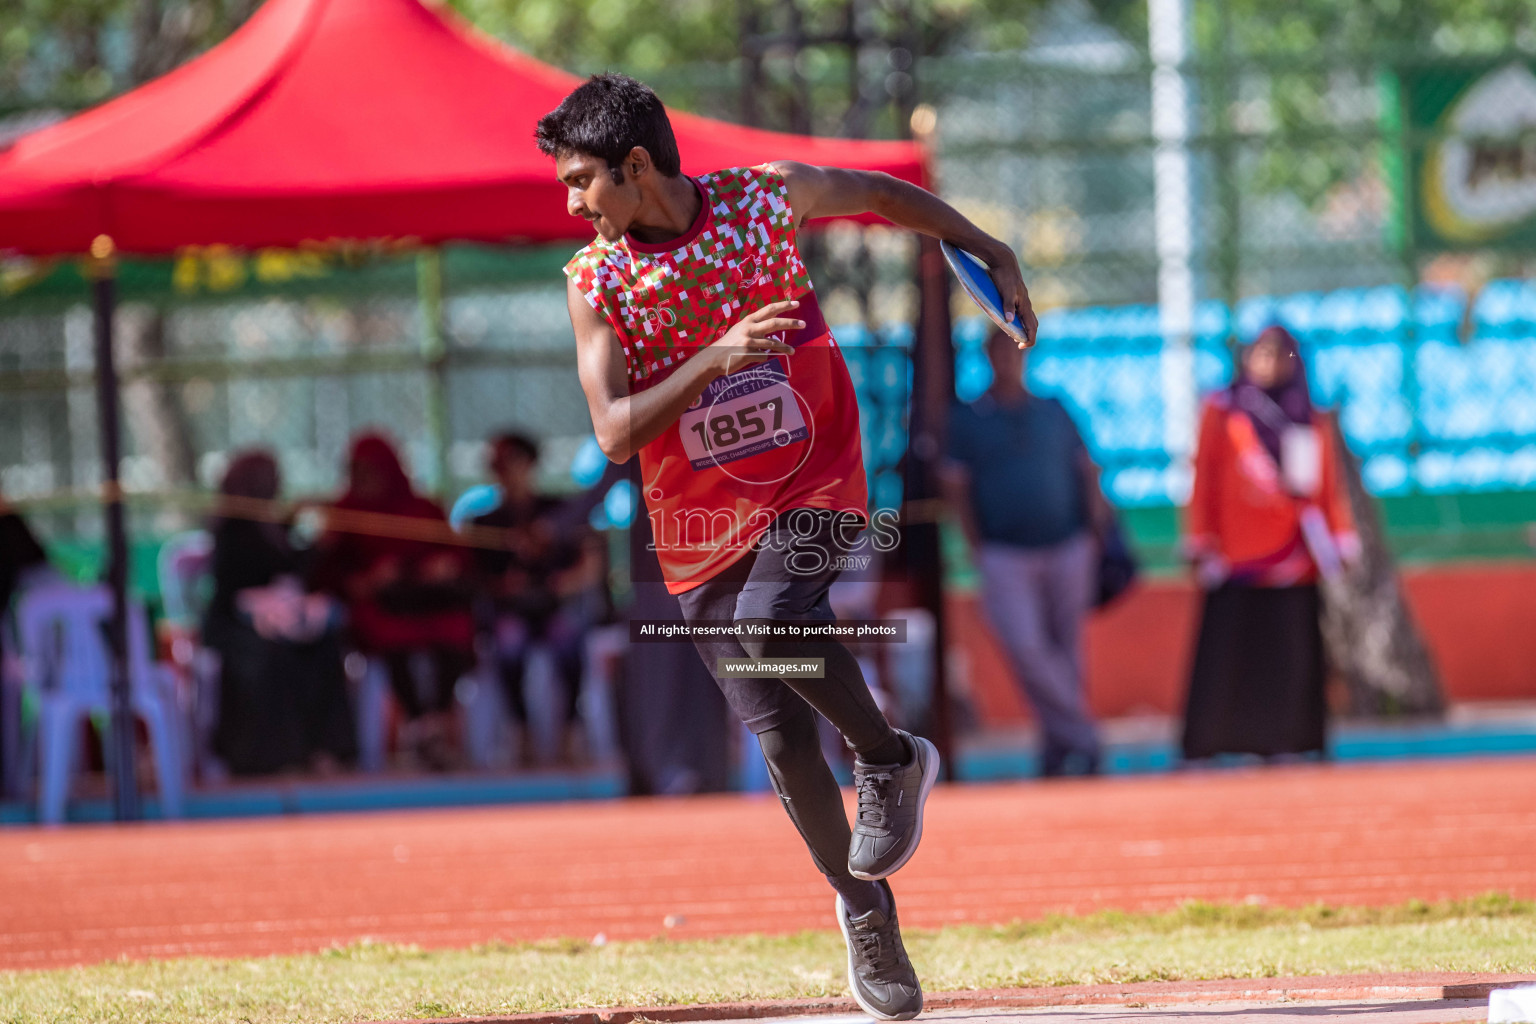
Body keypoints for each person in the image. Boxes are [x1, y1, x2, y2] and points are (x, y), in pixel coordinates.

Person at [537, 73, 1036, 1021]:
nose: (572, 203)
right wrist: (717, 357)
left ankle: (888, 760)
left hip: (818, 478)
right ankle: (864, 908)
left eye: (581, 180)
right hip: (697, 523)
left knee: (773, 625)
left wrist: (984, 242)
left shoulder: (765, 198)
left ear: (636, 165)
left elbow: (885, 199)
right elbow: (612, 432)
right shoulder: (596, 281)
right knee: (778, 738)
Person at [1181, 326, 1359, 762]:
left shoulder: (1307, 416)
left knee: (1290, 654)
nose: (1269, 364)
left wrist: (1340, 538)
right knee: (1231, 655)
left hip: (1293, 555)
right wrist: (1201, 539)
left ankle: (1290, 739)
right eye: (1260, 353)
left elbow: (1324, 487)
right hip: (1236, 556)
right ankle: (1219, 741)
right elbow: (1204, 476)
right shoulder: (1222, 410)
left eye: (1279, 356)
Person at [943, 328, 1111, 777]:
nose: (1007, 360)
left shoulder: (1054, 409)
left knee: (1067, 650)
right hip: (1004, 553)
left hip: (1068, 544)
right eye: (998, 350)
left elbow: (1086, 468)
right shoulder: (968, 418)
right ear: (986, 357)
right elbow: (956, 490)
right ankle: (1083, 735)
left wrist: (1096, 530)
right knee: (1027, 648)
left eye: (1013, 352)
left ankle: (1061, 745)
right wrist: (976, 547)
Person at [312, 434, 476, 772]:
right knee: (389, 635)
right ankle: (419, 725)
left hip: (426, 603)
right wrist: (366, 582)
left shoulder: (421, 508)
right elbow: (325, 574)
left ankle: (435, 722)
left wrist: (441, 568)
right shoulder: (344, 512)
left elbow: (458, 557)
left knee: (456, 628)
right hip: (380, 607)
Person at [202, 451, 356, 776]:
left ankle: (324, 748)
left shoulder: (273, 525)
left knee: (323, 647)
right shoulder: (234, 527)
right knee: (271, 656)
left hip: (279, 619)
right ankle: (271, 756)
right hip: (236, 626)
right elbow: (245, 584)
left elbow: (292, 569)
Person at [471, 432, 606, 765]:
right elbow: (477, 579)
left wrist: (565, 583)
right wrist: (505, 586)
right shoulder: (486, 521)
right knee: (508, 643)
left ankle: (571, 732)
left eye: (513, 461)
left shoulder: (558, 510)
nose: (506, 470)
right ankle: (522, 733)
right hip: (513, 612)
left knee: (568, 640)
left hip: (557, 607)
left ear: (530, 464)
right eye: (499, 464)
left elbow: (591, 562)